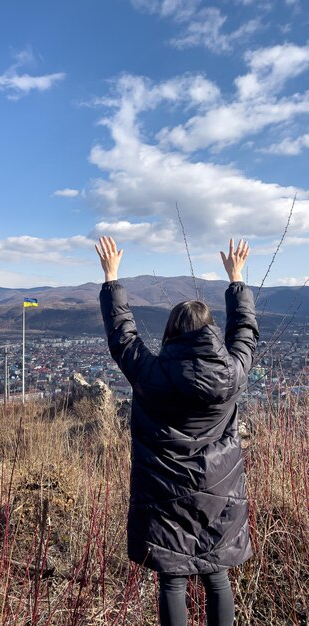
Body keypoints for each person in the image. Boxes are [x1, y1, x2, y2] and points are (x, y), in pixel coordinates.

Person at [96, 236, 258, 626]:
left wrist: (111, 277)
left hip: (164, 494)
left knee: (172, 580)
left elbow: (123, 337)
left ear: (171, 331)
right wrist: (236, 280)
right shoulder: (232, 374)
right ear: (210, 333)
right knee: (217, 576)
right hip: (220, 491)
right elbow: (246, 334)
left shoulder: (151, 375)